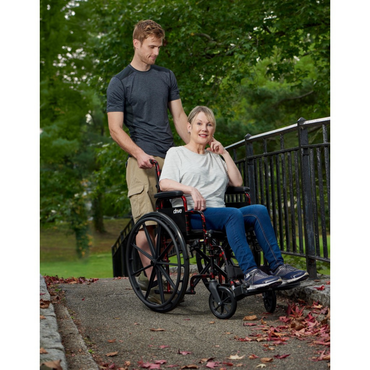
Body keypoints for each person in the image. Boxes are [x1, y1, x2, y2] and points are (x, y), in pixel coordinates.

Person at [159, 106, 309, 290]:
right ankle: (251, 273)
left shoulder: (215, 157)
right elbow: (164, 183)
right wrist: (190, 189)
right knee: (232, 214)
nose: (204, 128)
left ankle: (278, 267)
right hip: (193, 214)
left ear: (213, 130)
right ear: (189, 127)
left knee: (258, 210)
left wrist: (224, 153)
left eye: (209, 124)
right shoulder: (177, 153)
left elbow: (237, 181)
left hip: (221, 213)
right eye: (199, 123)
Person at [106, 20, 189, 296]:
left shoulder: (166, 76)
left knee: (175, 221)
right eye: (151, 47)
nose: (156, 53)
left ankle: (152, 275)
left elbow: (178, 117)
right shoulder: (120, 82)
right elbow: (115, 129)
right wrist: (138, 153)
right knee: (148, 221)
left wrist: (196, 147)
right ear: (136, 43)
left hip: (171, 160)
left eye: (159, 47)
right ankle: (158, 280)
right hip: (140, 161)